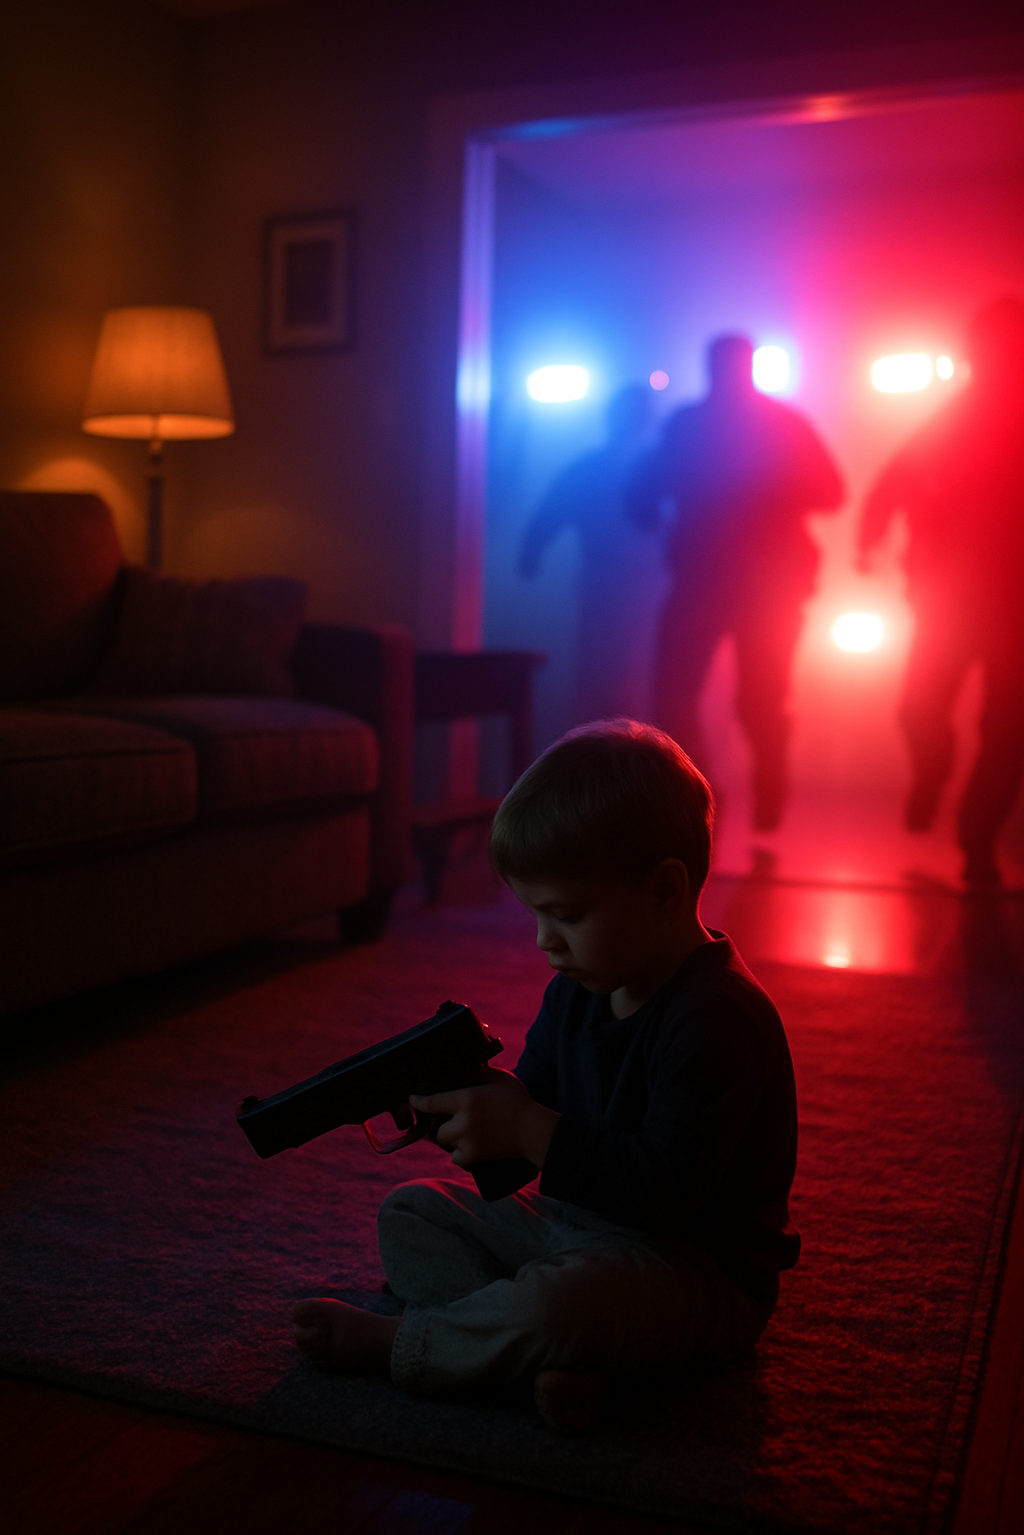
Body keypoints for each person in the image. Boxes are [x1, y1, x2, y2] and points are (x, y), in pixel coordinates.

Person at [292, 720, 801, 1434]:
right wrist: (473, 1117)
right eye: (536, 913)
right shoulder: (579, 986)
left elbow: (669, 1191)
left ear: (664, 889)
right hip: (578, 1229)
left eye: (567, 914)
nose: (543, 940)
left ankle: (415, 1342)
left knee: (573, 1301)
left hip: (696, 1271)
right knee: (411, 1213)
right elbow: (531, 1108)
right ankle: (534, 1349)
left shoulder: (718, 1019)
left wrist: (531, 1129)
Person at [627, 335, 844, 830]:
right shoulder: (776, 424)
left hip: (737, 584)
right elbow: (832, 490)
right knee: (729, 699)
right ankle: (727, 791)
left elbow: (831, 490)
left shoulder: (694, 424)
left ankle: (725, 792)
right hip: (747, 585)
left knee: (728, 698)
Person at [858, 297, 1024, 886]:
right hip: (948, 599)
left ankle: (976, 844)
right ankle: (936, 777)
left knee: (1004, 729)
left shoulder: (956, 418)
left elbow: (890, 485)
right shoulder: (953, 418)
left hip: (1004, 603)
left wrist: (872, 537)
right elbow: (892, 483)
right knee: (922, 711)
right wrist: (869, 537)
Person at [518, 384, 660, 722]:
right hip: (622, 588)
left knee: (615, 677)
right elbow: (550, 512)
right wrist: (531, 551)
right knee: (612, 677)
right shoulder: (656, 468)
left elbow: (549, 513)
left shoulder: (595, 469)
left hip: (629, 589)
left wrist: (531, 553)